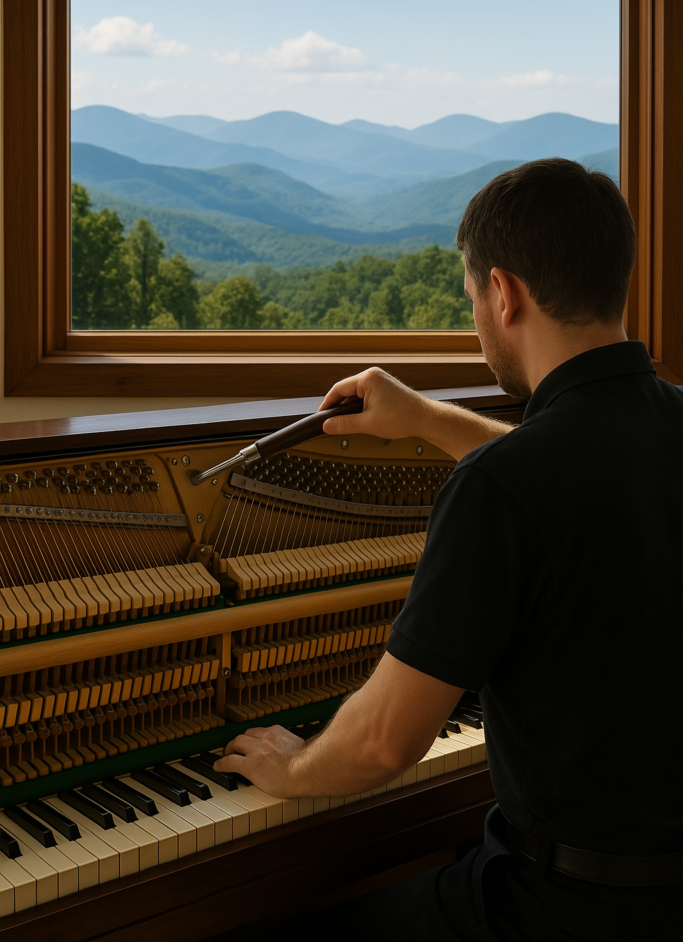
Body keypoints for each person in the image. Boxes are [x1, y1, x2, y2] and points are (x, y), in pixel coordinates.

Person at [214, 158, 683, 941]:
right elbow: (573, 474)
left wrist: (293, 767)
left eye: (471, 299)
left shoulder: (504, 488)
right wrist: (429, 418)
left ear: (503, 293)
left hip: (559, 909)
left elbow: (384, 742)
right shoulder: (650, 430)